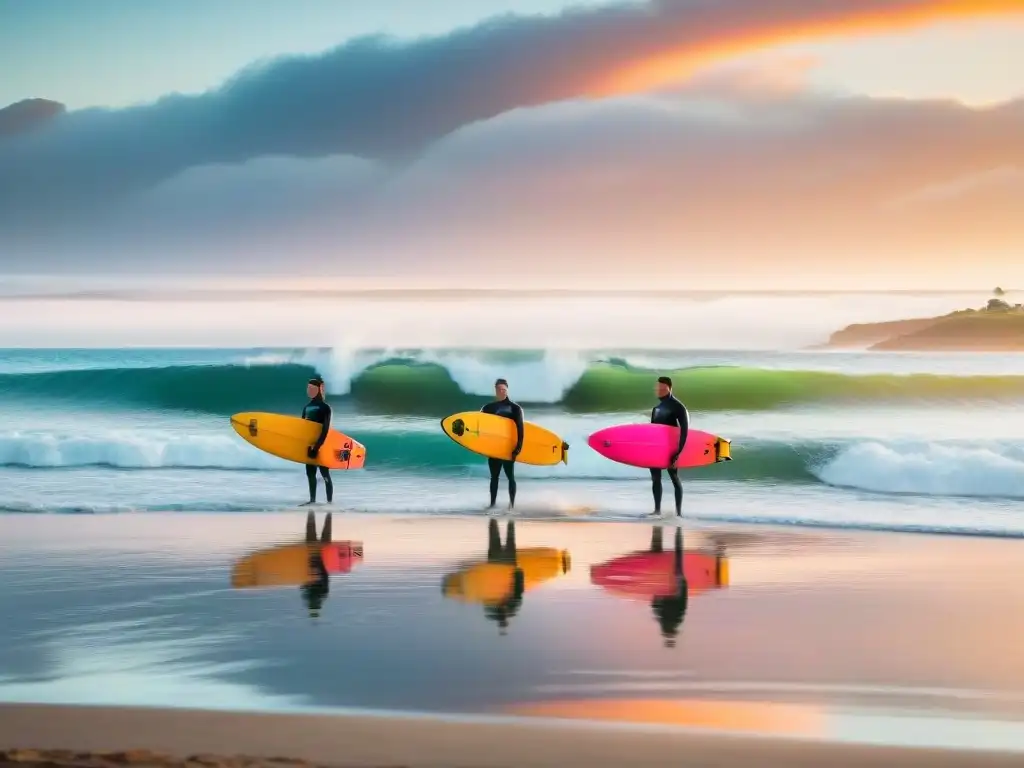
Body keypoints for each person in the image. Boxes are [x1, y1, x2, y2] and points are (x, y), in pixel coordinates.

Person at [481, 377, 524, 511]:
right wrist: (483, 447)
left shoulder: (515, 408)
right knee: (494, 477)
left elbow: (520, 429)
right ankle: (492, 505)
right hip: (494, 449)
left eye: (504, 389)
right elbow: (482, 429)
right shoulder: (488, 408)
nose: (502, 392)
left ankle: (511, 506)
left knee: (510, 477)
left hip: (507, 449)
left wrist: (517, 448)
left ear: (507, 390)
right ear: (495, 390)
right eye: (499, 389)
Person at [650, 375, 689, 517]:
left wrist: (678, 452)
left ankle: (679, 513)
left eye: (662, 387)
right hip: (656, 448)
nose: (658, 390)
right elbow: (653, 431)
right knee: (655, 478)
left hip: (670, 448)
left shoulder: (678, 407)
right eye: (657, 387)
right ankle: (657, 511)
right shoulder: (656, 408)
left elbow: (684, 431)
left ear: (669, 388)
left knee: (674, 478)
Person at [300, 375, 333, 506]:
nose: (309, 390)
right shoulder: (306, 407)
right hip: (309, 445)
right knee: (310, 474)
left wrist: (317, 447)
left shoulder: (325, 408)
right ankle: (312, 500)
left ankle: (330, 503)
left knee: (325, 474)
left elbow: (325, 429)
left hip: (322, 445)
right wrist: (306, 447)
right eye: (308, 388)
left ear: (319, 389)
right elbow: (302, 429)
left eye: (312, 388)